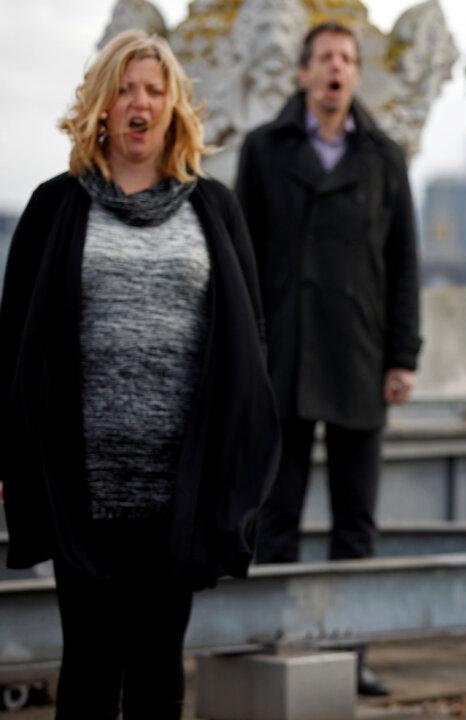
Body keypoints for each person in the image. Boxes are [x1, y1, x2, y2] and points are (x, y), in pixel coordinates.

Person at [0, 30, 280, 719]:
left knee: (158, 666)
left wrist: (242, 461)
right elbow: (14, 347)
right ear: (101, 106)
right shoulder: (54, 206)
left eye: (154, 90)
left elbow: (251, 345)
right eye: (125, 88)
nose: (139, 102)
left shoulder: (213, 207)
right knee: (89, 663)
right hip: (80, 484)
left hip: (179, 488)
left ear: (174, 108)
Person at [235, 21, 421, 696]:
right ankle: (268, 642)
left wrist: (403, 356)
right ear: (303, 73)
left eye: (347, 59)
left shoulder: (383, 155)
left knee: (355, 520)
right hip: (280, 357)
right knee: (272, 516)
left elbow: (404, 263)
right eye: (325, 59)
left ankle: (350, 650)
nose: (336, 69)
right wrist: (244, 357)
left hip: (359, 356)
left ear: (356, 74)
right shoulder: (262, 151)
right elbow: (241, 259)